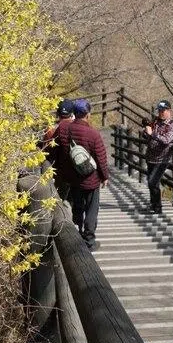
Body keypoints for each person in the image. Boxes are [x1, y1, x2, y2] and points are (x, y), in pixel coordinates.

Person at [54, 98, 109, 251]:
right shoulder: (93, 134)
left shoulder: (65, 129)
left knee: (78, 205)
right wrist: (105, 176)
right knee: (91, 209)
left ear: (74, 113)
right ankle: (89, 240)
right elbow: (101, 158)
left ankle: (78, 232)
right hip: (91, 179)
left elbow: (60, 151)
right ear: (87, 114)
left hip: (73, 178)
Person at [143, 100, 173, 214]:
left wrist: (152, 134)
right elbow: (148, 139)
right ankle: (154, 205)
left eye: (163, 111)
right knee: (152, 182)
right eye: (160, 111)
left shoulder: (172, 125)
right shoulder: (156, 122)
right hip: (150, 157)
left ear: (169, 110)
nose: (161, 113)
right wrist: (146, 131)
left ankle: (158, 207)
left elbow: (167, 140)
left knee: (152, 182)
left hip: (162, 159)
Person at [40, 99, 75, 199]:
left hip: (58, 173)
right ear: (72, 114)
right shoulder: (78, 128)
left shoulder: (50, 130)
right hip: (76, 172)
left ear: (57, 113)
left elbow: (46, 150)